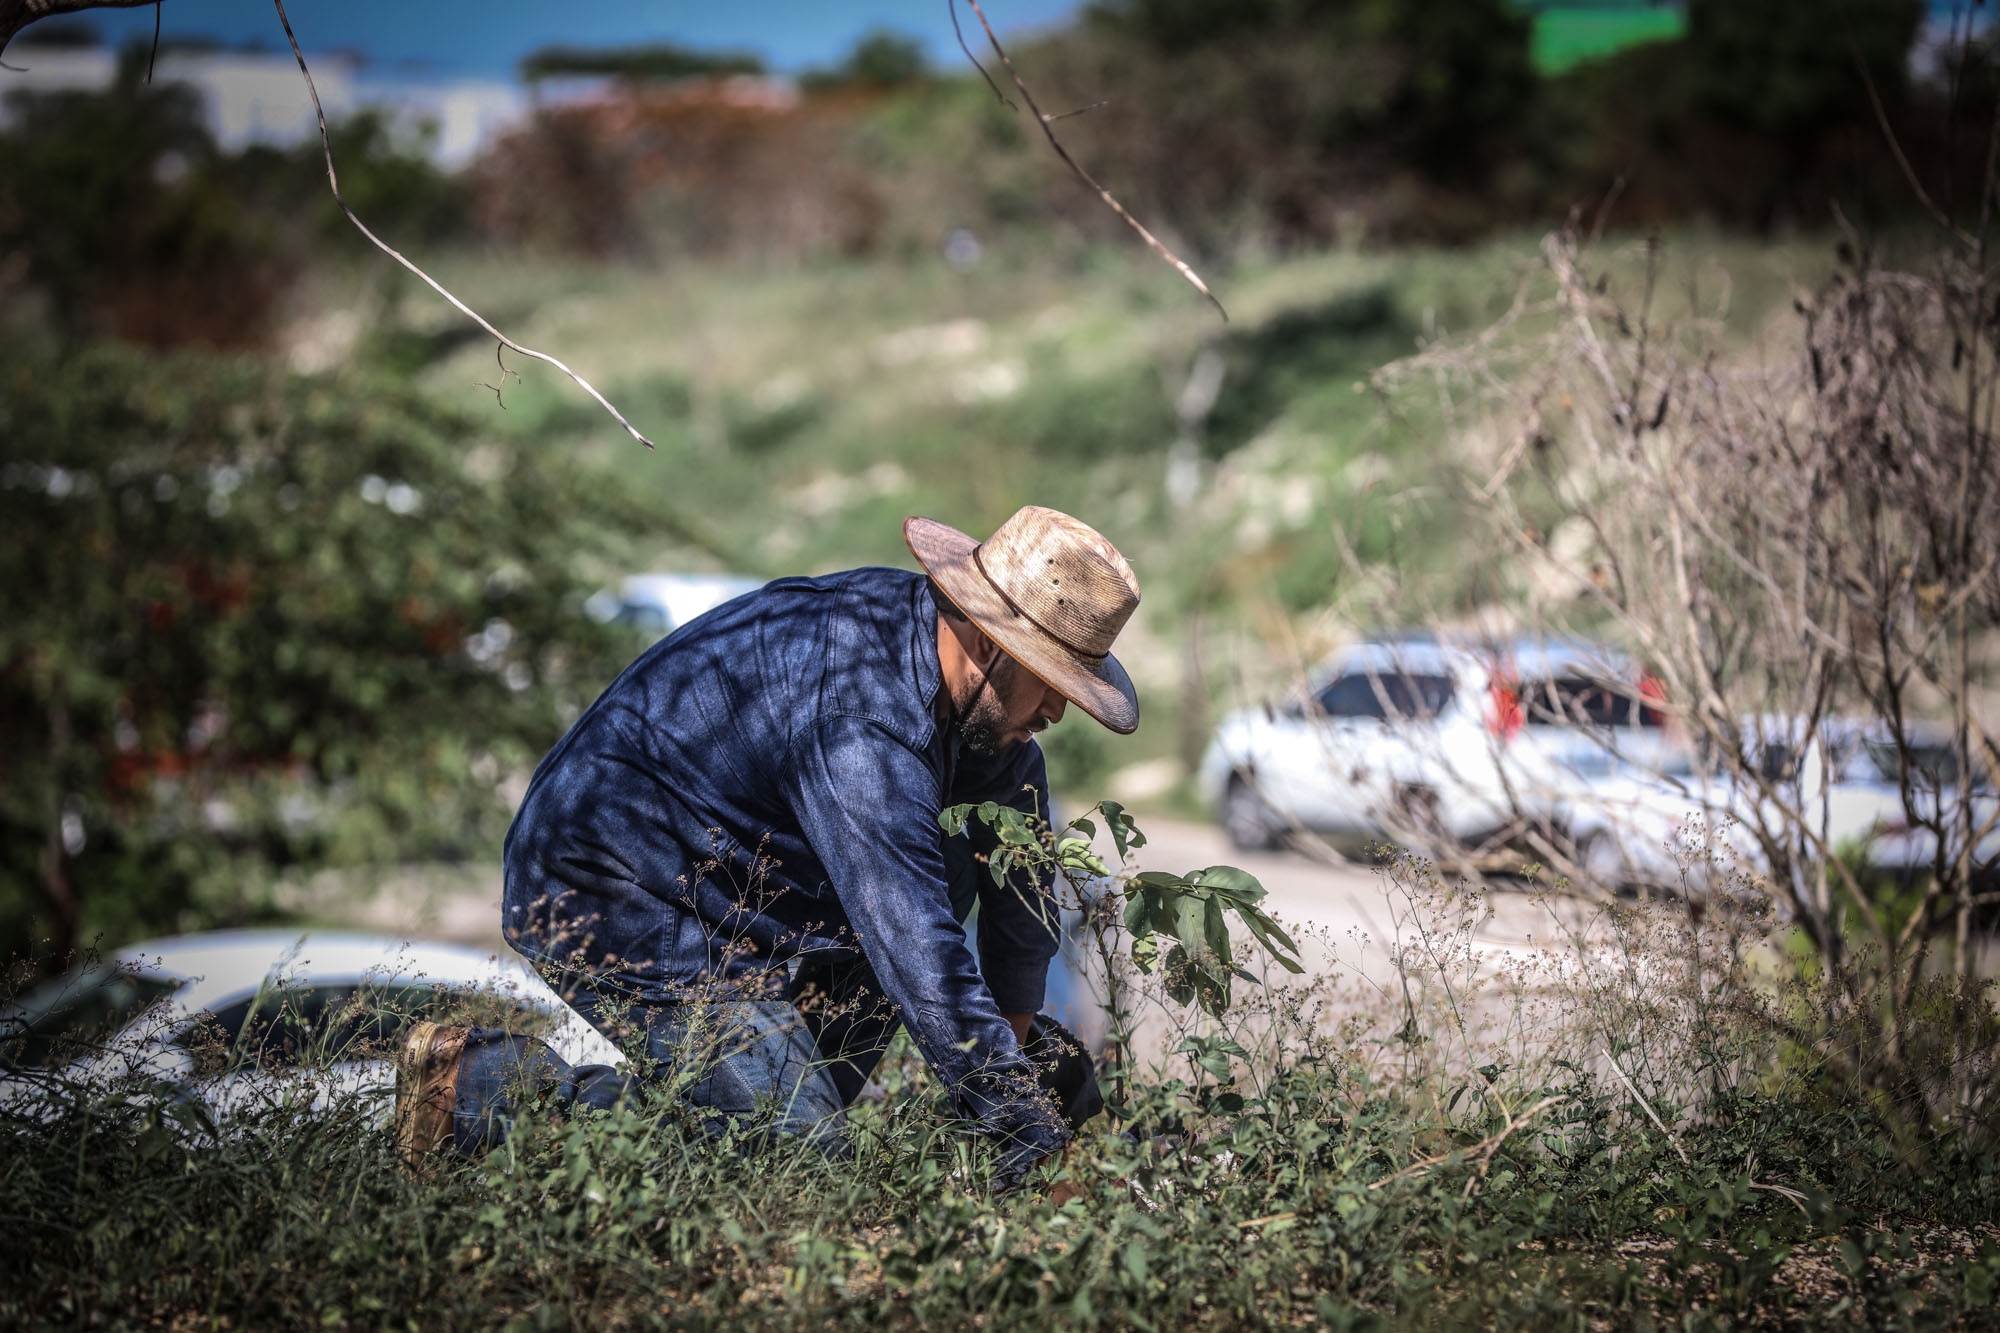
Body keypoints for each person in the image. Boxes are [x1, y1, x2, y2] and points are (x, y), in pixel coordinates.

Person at [396, 505, 1141, 1189]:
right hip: (611, 882)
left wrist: (1010, 1078)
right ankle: (475, 1088)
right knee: (799, 1160)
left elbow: (1020, 897)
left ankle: (766, 1112)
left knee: (781, 1121)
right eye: (1048, 682)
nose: (1056, 711)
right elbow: (914, 938)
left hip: (743, 891)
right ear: (986, 641)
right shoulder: (861, 715)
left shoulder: (985, 715)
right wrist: (1018, 1123)